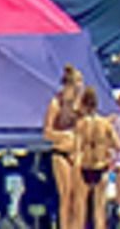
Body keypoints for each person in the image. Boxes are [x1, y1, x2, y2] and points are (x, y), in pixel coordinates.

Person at [44, 65, 84, 229]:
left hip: (78, 152)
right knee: (66, 196)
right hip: (61, 152)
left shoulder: (81, 104)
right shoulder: (56, 103)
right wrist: (64, 135)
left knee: (78, 197)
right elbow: (47, 131)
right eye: (77, 83)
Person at [75, 87, 116, 229]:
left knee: (82, 207)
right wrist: (106, 149)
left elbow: (77, 147)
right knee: (99, 209)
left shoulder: (81, 124)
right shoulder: (105, 124)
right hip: (101, 165)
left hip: (85, 166)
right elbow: (118, 145)